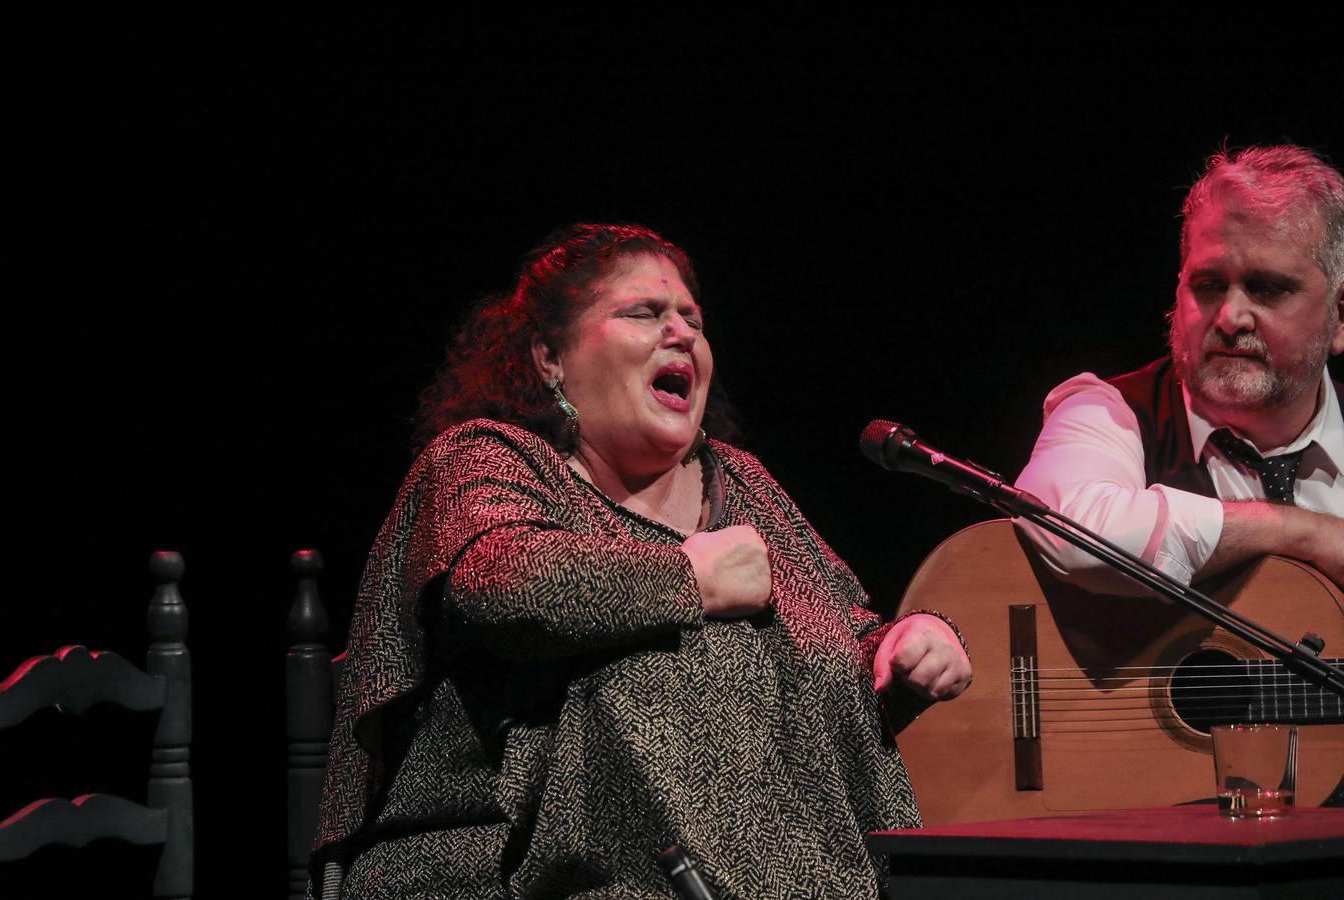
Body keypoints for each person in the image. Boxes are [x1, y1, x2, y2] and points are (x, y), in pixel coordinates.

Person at [310, 224, 972, 899]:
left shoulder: (742, 486)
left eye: (692, 319)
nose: (680, 333)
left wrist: (902, 650)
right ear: (550, 358)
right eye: (644, 314)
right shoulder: (486, 459)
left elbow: (830, 653)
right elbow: (501, 585)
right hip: (498, 878)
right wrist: (692, 578)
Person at [1016, 145, 1344, 594]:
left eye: (1266, 288)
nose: (1230, 317)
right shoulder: (1107, 411)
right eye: (1208, 285)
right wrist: (1303, 532)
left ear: (1339, 316)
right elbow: (1068, 531)